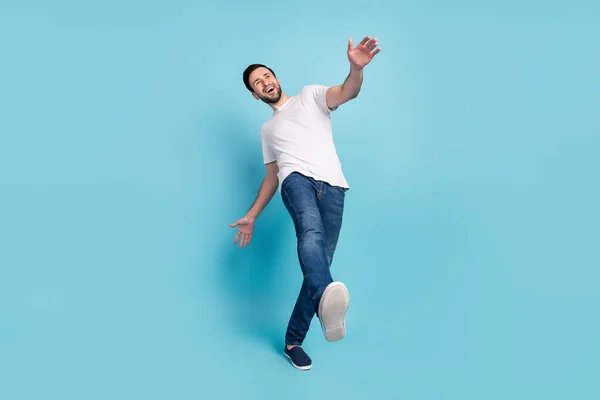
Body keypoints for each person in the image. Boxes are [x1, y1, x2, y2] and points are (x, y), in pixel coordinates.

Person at [229, 36, 381, 371]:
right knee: (310, 236)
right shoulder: (268, 130)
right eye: (257, 83)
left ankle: (293, 340)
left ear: (277, 78)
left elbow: (347, 91)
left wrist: (355, 69)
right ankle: (326, 301)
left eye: (267, 76)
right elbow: (272, 178)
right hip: (295, 180)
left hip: (334, 186)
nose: (265, 82)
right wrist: (252, 216)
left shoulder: (311, 95)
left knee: (320, 265)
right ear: (255, 95)